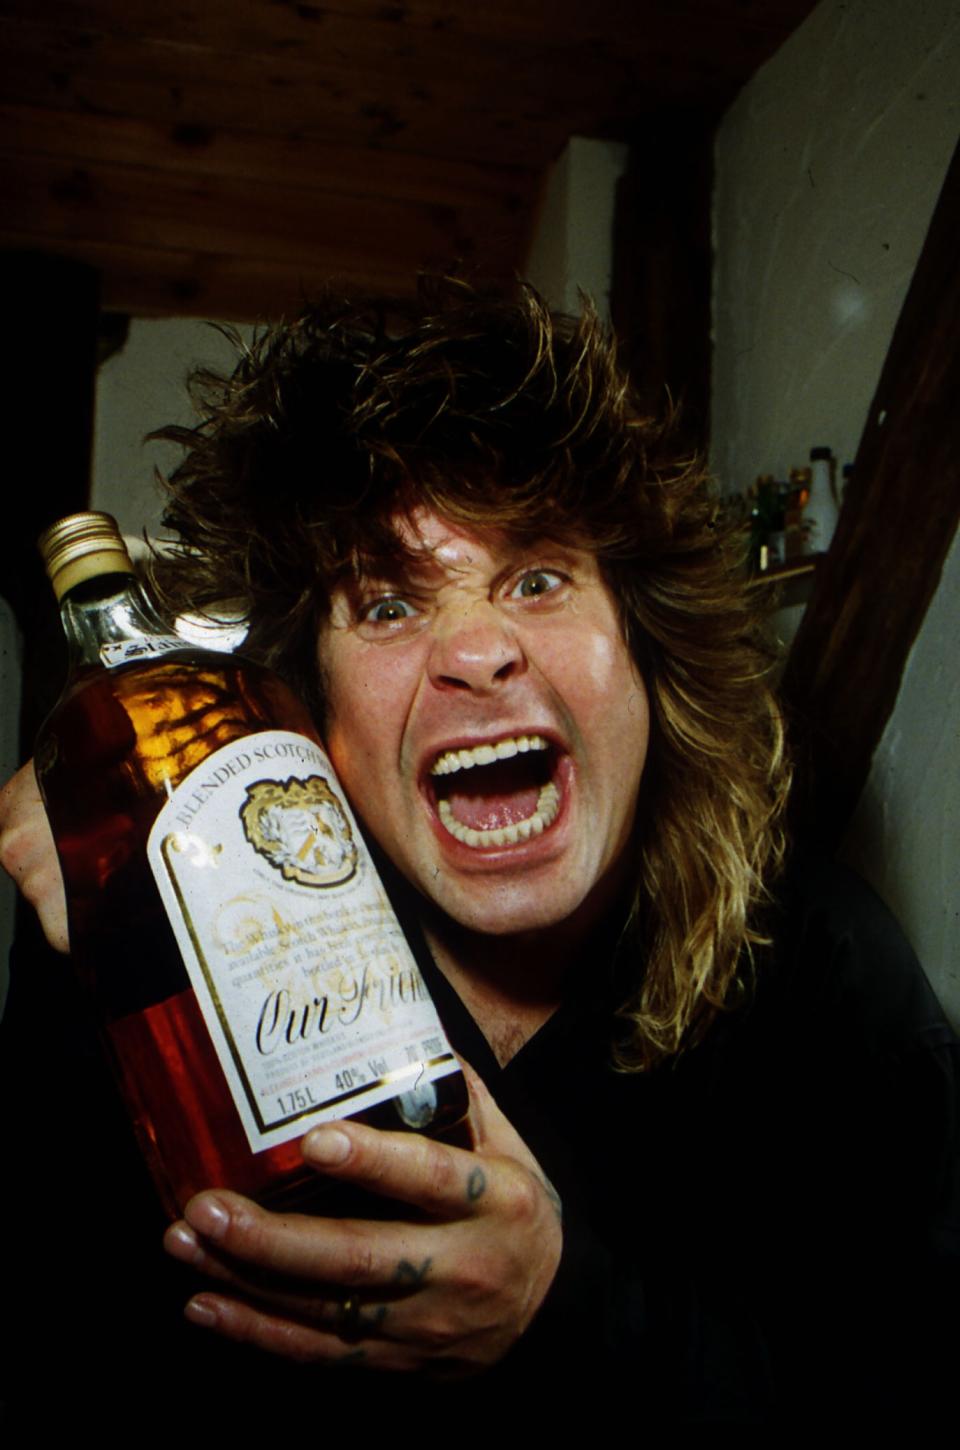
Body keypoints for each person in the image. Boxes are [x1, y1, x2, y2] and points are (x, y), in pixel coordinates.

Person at [0, 278, 956, 1428]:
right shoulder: (189, 966)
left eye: (539, 577)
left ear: (645, 655)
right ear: (312, 715)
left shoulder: (824, 969)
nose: (476, 651)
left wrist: (564, 1313)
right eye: (391, 605)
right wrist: (125, 921)